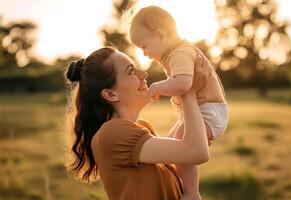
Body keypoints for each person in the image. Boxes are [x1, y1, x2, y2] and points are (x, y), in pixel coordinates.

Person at [65, 47, 210, 200]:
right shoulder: (112, 133)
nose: (143, 74)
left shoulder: (142, 127)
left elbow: (185, 156)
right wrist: (187, 91)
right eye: (130, 71)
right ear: (111, 94)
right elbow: (196, 152)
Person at [130, 5, 228, 199]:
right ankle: (179, 186)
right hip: (202, 111)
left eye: (144, 46)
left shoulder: (180, 53)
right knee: (174, 143)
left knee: (184, 147)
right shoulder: (176, 53)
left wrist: (157, 87)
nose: (144, 54)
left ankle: (192, 193)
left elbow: (183, 84)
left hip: (209, 111)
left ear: (161, 35)